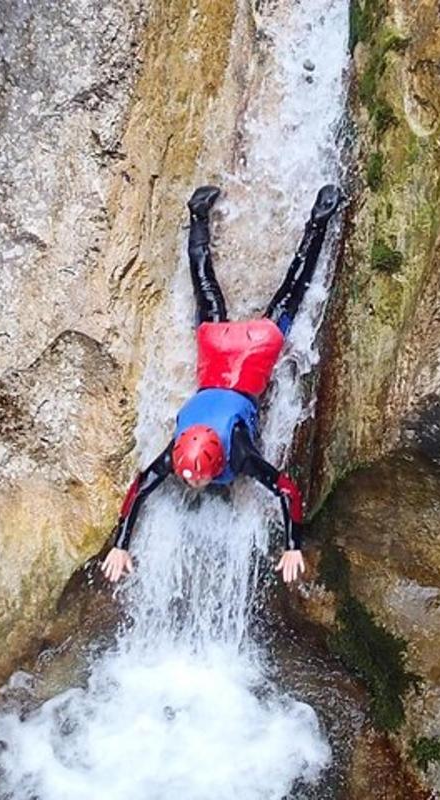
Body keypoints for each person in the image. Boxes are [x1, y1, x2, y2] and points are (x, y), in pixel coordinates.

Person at [101, 183, 342, 585]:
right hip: (218, 354)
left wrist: (293, 545)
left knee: (289, 292)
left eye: (194, 477)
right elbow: (142, 485)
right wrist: (121, 544)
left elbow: (285, 489)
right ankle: (205, 216)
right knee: (210, 288)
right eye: (190, 476)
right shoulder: (180, 455)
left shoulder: (241, 454)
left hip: (250, 357)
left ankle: (317, 219)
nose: (191, 482)